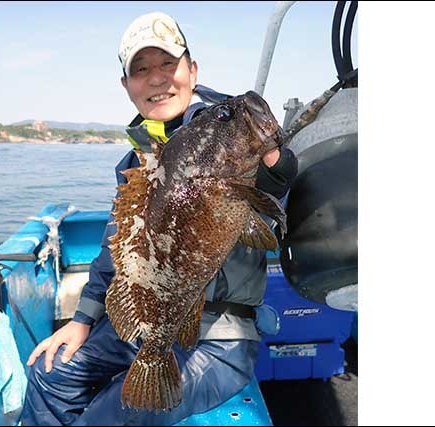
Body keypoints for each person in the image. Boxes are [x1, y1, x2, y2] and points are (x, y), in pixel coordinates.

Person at [19, 11, 298, 426]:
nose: (157, 78)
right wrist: (81, 322)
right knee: (48, 373)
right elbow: (117, 249)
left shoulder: (219, 131)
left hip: (219, 340)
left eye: (169, 64)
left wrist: (270, 155)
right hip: (148, 326)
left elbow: (277, 180)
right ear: (127, 85)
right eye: (142, 69)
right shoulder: (137, 160)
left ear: (193, 70)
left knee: (111, 417)